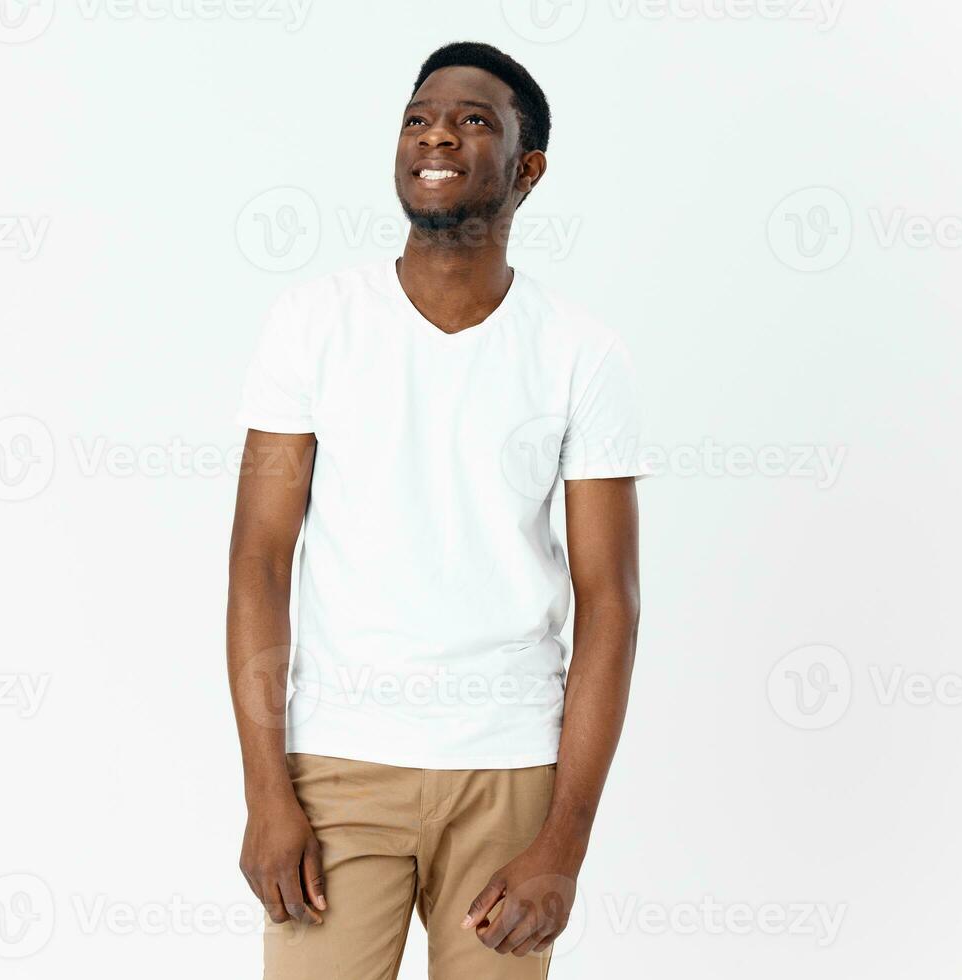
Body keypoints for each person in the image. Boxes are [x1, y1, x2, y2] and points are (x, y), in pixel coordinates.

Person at [226, 40, 649, 979]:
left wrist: (564, 845)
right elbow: (258, 560)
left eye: (472, 121)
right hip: (336, 768)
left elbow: (610, 604)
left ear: (527, 169)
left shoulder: (582, 351)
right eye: (419, 117)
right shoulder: (312, 323)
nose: (436, 136)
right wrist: (268, 790)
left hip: (509, 778)